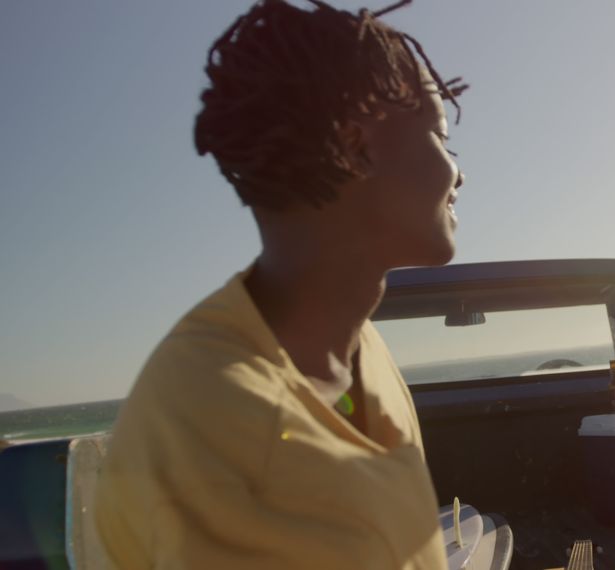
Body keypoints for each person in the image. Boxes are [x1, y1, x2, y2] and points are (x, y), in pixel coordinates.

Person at [94, 1, 466, 568]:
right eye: (441, 138)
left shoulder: (360, 348)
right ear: (356, 147)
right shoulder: (214, 427)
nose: (456, 170)